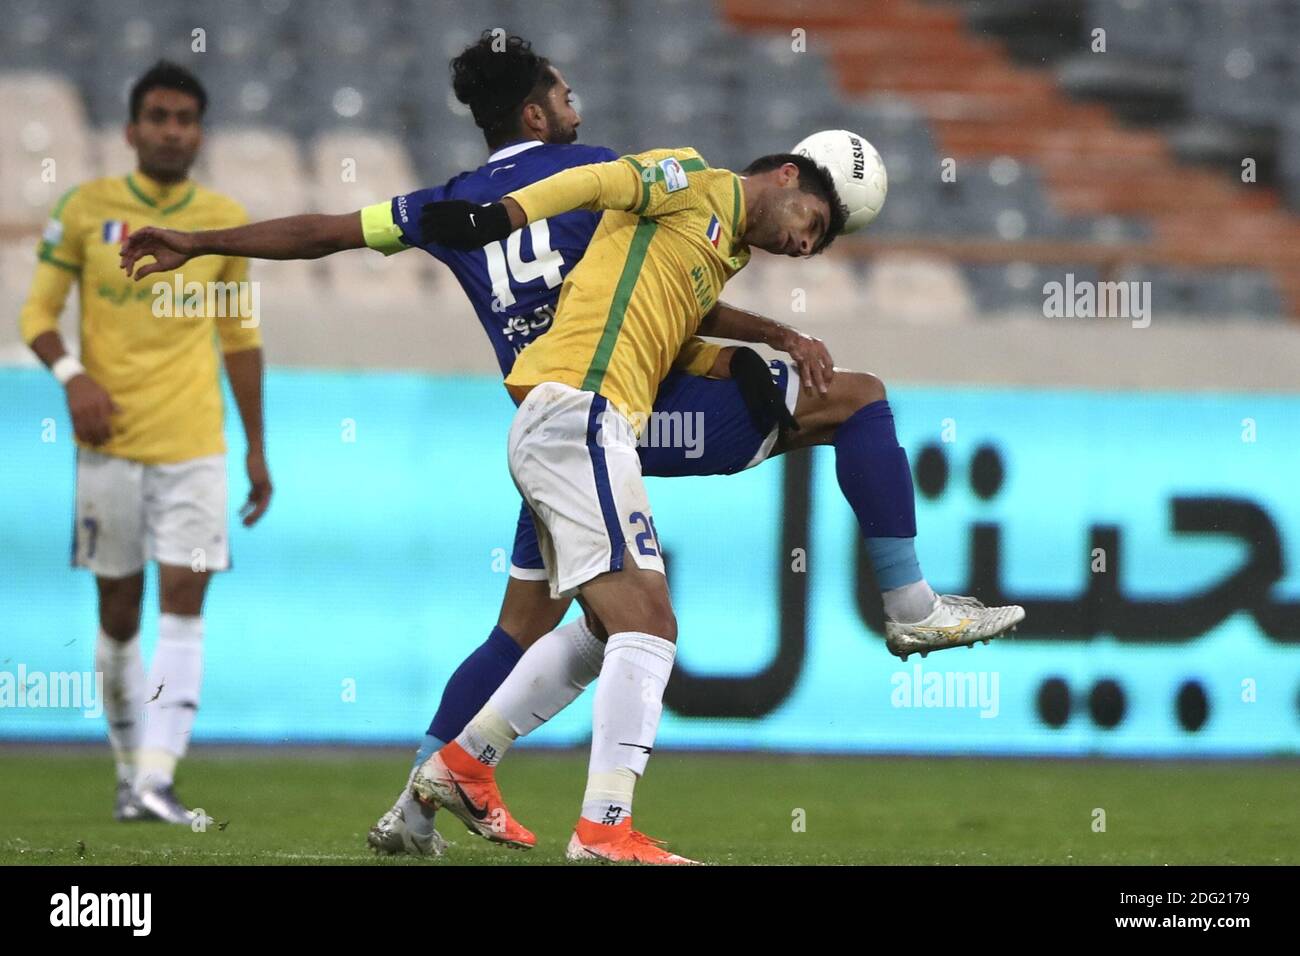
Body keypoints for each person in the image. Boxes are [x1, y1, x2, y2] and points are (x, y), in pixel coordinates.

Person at [118, 32, 1023, 859]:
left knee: (538, 625)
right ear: (537, 114)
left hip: (565, 415)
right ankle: (614, 818)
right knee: (850, 410)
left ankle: (429, 793)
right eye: (563, 89)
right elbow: (655, 286)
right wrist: (751, 348)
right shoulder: (608, 172)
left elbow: (327, 233)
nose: (576, 98)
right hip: (607, 407)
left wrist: (202, 242)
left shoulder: (443, 202)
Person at [411, 126, 1022, 863]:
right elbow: (597, 183)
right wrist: (497, 218)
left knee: (595, 627)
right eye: (814, 225)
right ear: (789, 175)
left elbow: (668, 321)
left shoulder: (711, 253)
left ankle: (462, 766)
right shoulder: (689, 179)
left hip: (585, 424)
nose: (806, 246)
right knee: (650, 625)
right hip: (582, 415)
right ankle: (604, 829)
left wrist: (751, 347)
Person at [18, 61, 272, 824]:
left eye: (185, 119)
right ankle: (132, 773)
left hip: (196, 445)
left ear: (199, 132)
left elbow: (240, 339)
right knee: (119, 615)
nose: (172, 130)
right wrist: (72, 377)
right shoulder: (85, 207)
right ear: (131, 130)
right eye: (158, 117)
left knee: (186, 605)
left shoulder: (221, 221)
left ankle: (159, 776)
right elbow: (36, 314)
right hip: (110, 447)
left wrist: (257, 447)